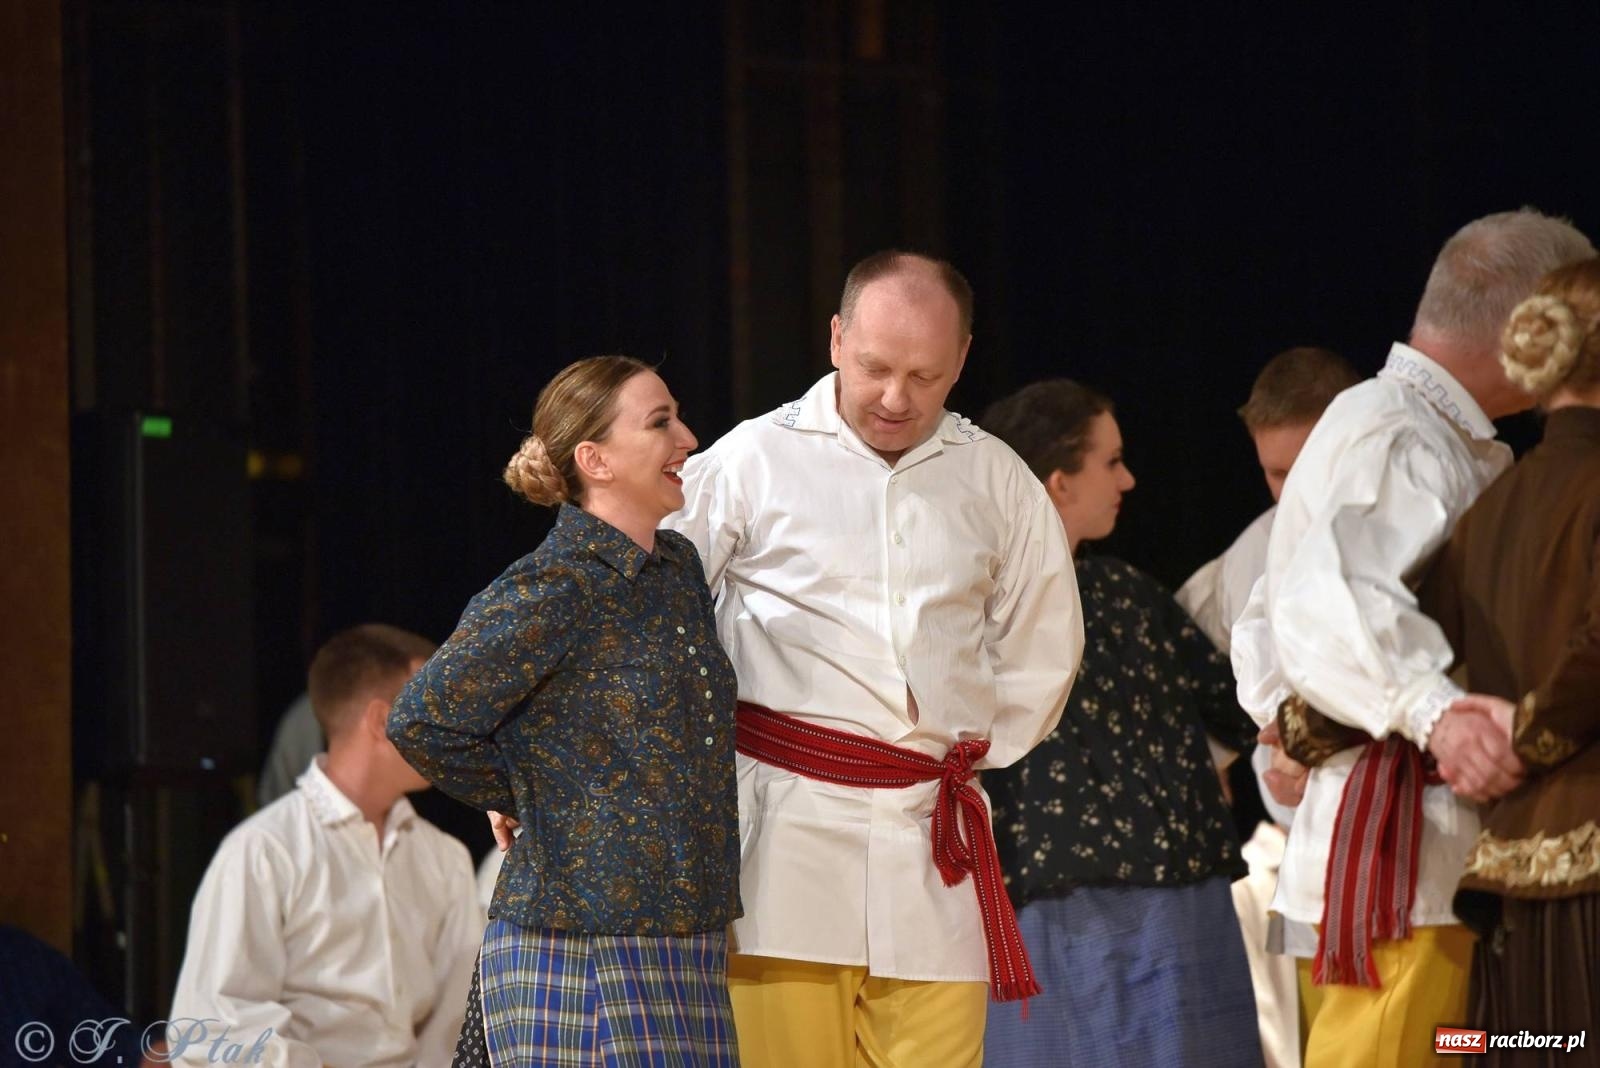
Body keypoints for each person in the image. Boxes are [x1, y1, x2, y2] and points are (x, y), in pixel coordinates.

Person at [666, 250, 1084, 1068]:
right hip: (782, 848)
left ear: (963, 359)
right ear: (835, 339)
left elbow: (1044, 647)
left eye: (925, 376)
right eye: (876, 368)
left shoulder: (996, 478)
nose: (897, 398)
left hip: (932, 844)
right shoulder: (751, 460)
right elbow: (648, 625)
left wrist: (955, 753)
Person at [1229, 209, 1593, 1068]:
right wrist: (1440, 716)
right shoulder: (1399, 432)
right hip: (1401, 860)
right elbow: (1321, 600)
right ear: (1523, 325)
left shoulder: (1435, 436)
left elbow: (1267, 616)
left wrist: (1295, 716)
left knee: (1469, 1045)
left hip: (1441, 857)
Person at [388, 356, 742, 1067]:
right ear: (595, 459)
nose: (690, 437)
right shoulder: (554, 586)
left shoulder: (677, 573)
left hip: (686, 937)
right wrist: (528, 791)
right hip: (578, 944)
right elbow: (421, 719)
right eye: (660, 421)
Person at [978, 379, 1262, 1067]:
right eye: (1111, 461)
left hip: (1060, 901)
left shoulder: (981, 608)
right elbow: (1242, 705)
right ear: (1057, 483)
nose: (1129, 479)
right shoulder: (1121, 596)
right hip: (1137, 909)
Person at [1419, 259, 1600, 1067]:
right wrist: (1528, 732)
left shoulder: (1487, 512)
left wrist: (1295, 730)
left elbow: (1420, 647)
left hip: (1505, 890)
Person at [167, 623, 482, 1068]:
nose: (448, 731)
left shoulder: (444, 858)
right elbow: (213, 1029)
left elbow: (454, 1021)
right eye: (431, 710)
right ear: (379, 720)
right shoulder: (265, 850)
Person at [1175, 345, 1361, 1067]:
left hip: (1405, 845)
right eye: (1274, 473)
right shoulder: (1252, 554)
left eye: (1304, 469)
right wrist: (1220, 765)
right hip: (1303, 865)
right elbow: (1184, 670)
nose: (1289, 493)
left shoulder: (1417, 521)